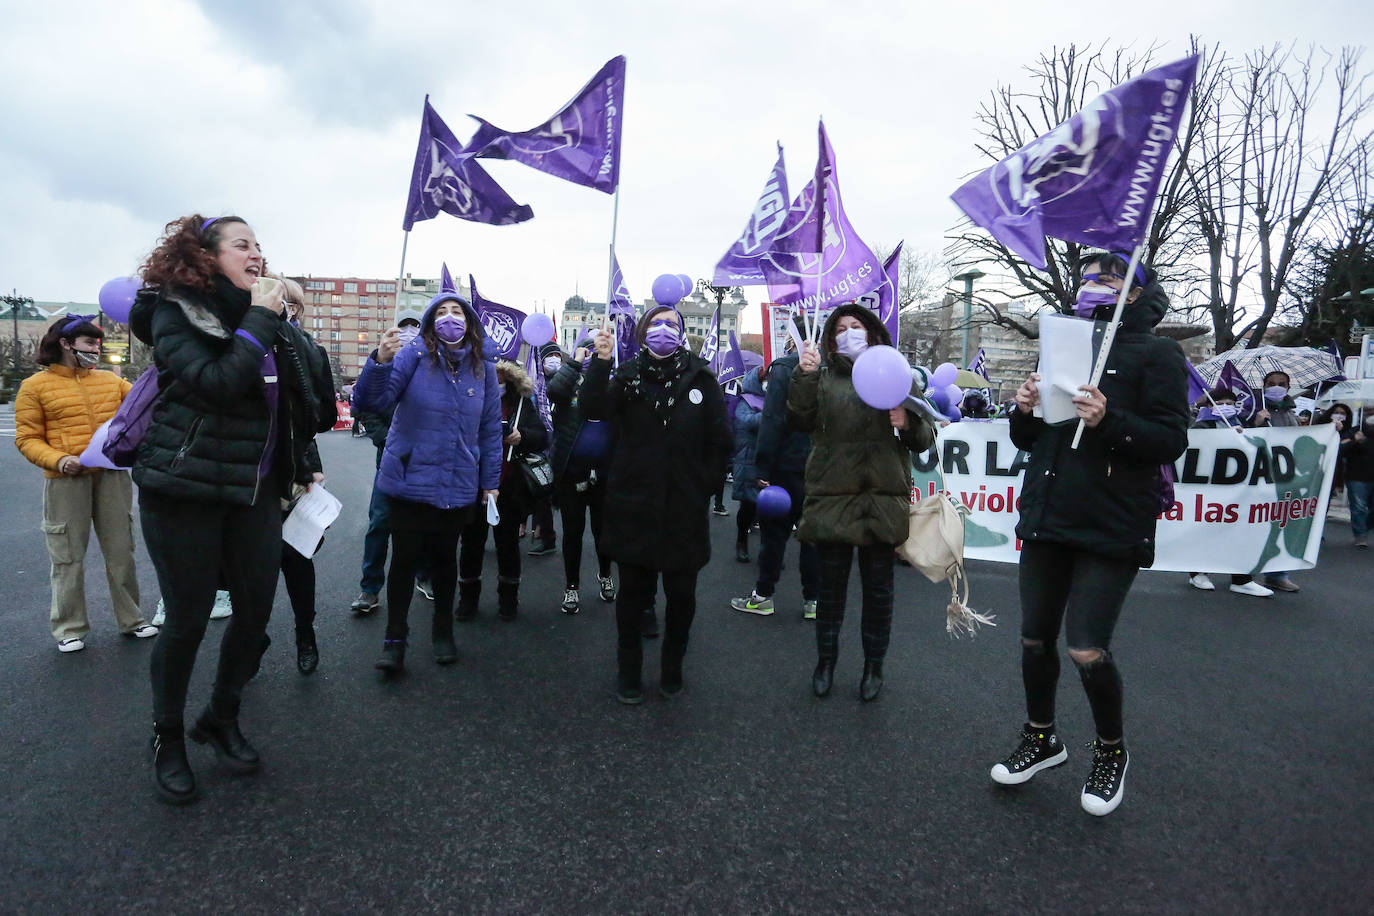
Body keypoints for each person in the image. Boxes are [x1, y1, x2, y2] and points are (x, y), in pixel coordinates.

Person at [131, 214, 336, 805]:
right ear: (205, 256)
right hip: (184, 488)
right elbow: (216, 382)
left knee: (254, 617)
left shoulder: (268, 316)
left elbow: (311, 405)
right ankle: (166, 736)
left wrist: (291, 327)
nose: (256, 254)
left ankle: (220, 715)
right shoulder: (177, 310)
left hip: (253, 492)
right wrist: (264, 317)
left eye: (259, 246)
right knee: (190, 620)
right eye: (242, 245)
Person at [989, 253, 1188, 817]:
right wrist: (1023, 411)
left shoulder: (1159, 353)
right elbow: (1033, 439)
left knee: (1086, 647)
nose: (1091, 286)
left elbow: (1171, 439)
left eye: (1107, 279)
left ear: (1134, 292)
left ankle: (1110, 752)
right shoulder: (1061, 343)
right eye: (1089, 278)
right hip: (1049, 516)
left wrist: (1110, 420)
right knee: (1033, 640)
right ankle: (1041, 737)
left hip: (1111, 522)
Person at [581, 306, 733, 704]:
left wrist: (703, 487)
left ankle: (672, 668)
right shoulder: (627, 376)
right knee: (633, 597)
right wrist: (600, 362)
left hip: (684, 509)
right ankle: (628, 672)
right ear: (644, 332)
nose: (663, 330)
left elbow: (720, 442)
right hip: (634, 504)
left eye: (671, 324)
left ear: (681, 333)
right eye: (656, 324)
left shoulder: (702, 379)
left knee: (682, 597)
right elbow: (592, 410)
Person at [789, 304, 936, 703]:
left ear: (872, 333)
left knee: (879, 592)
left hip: (882, 498)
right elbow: (798, 419)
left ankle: (874, 667)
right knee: (830, 589)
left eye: (856, 326)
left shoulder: (897, 373)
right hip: (833, 496)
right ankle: (826, 663)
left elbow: (924, 440)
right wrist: (802, 375)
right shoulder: (821, 377)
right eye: (840, 328)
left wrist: (908, 423)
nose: (848, 333)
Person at [351, 290, 501, 672]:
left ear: (469, 323)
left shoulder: (484, 367)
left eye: (458, 312)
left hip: (458, 481)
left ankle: (443, 632)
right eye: (442, 312)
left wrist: (490, 481)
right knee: (403, 560)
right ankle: (394, 640)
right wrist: (380, 362)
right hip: (408, 479)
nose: (450, 317)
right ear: (431, 321)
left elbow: (489, 431)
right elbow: (371, 403)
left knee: (444, 561)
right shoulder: (412, 356)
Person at [15, 315, 155, 653]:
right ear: (66, 343)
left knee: (122, 550)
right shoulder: (34, 386)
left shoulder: (110, 381)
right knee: (67, 556)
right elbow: (27, 438)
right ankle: (69, 628)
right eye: (90, 343)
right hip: (66, 480)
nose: (97, 349)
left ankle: (133, 619)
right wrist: (60, 460)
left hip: (110, 476)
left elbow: (143, 408)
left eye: (98, 343)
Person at [731, 339, 820, 619]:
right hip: (818, 467)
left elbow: (772, 420)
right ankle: (813, 601)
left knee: (774, 535)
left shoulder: (783, 368)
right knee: (813, 538)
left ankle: (763, 596)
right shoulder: (834, 370)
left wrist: (763, 469)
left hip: (784, 466)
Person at [457, 359, 548, 621]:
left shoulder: (520, 402)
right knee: (471, 544)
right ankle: (467, 600)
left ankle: (509, 601)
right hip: (473, 484)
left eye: (499, 374)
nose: (493, 378)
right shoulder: (469, 397)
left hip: (508, 487)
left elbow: (541, 436)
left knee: (507, 546)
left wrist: (523, 436)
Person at [349, 307, 424, 615]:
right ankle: (369, 588)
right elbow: (364, 406)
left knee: (424, 524)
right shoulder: (383, 360)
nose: (408, 333)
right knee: (380, 522)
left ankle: (425, 576)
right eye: (402, 327)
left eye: (414, 327)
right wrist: (385, 438)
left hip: (424, 460)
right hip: (391, 457)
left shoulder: (428, 362)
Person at [276, 280, 334, 673]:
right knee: (250, 569)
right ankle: (250, 637)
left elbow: (316, 419)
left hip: (292, 473)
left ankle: (305, 632)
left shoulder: (310, 350)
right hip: (244, 476)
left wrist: (309, 463)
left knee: (298, 557)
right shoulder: (240, 340)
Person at [546, 338, 617, 616]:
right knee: (572, 533)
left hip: (603, 474)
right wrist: (575, 362)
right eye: (590, 350)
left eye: (597, 351)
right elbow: (554, 390)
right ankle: (572, 585)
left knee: (603, 533)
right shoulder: (568, 385)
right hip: (571, 473)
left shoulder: (611, 386)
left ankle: (605, 574)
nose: (593, 354)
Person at [1184, 389, 1273, 597]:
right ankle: (1198, 572)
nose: (1226, 405)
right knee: (1206, 530)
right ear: (1209, 407)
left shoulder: (1244, 424)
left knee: (1240, 531)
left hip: (1239, 490)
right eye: (1220, 402)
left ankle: (1241, 579)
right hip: (1210, 489)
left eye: (1230, 402)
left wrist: (1256, 427)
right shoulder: (1202, 425)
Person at [1250, 370, 1301, 592]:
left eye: (1281, 384)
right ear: (1264, 386)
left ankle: (1277, 574)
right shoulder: (1254, 410)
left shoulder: (1291, 413)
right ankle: (1242, 574)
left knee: (1281, 524)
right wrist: (1257, 423)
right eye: (1271, 384)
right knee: (1253, 524)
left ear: (1288, 388)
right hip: (1259, 478)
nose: (1276, 387)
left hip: (1284, 480)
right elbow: (1242, 440)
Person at [527, 343, 562, 557]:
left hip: (559, 446)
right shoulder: (534, 385)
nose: (555, 359)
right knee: (539, 494)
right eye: (550, 356)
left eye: (558, 355)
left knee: (549, 497)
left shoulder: (564, 381)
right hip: (539, 444)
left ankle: (547, 535)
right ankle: (540, 531)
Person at [729, 366, 764, 563]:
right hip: (749, 460)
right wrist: (771, 413)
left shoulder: (775, 399)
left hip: (769, 461)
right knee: (748, 507)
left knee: (770, 510)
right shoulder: (746, 401)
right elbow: (747, 422)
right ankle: (741, 542)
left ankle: (768, 551)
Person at [1334, 405, 1372, 548]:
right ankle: (1360, 535)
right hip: (1357, 477)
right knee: (1359, 507)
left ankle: (1365, 526)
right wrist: (1355, 440)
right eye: (1368, 411)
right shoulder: (1355, 431)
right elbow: (1341, 449)